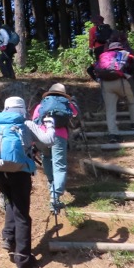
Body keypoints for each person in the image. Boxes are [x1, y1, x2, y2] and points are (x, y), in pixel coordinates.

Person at [0, 96, 56, 268]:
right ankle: (23, 260)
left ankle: (8, 237)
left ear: (5, 108)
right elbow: (49, 140)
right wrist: (50, 123)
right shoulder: (26, 124)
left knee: (10, 202)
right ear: (22, 109)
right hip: (19, 173)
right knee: (22, 215)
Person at [31, 83, 79, 213]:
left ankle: (51, 184)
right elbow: (75, 115)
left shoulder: (41, 105)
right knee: (59, 165)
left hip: (42, 135)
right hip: (59, 135)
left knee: (46, 157)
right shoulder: (66, 103)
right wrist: (74, 103)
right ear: (63, 94)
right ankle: (55, 196)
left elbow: (35, 120)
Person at [95, 42, 134, 141]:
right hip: (120, 81)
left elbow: (92, 68)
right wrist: (129, 71)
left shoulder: (103, 55)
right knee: (132, 102)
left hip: (106, 84)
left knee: (110, 110)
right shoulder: (124, 53)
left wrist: (97, 80)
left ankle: (113, 134)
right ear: (120, 47)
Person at [86, 15, 113, 81]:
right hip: (108, 47)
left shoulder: (92, 29)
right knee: (109, 62)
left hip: (98, 48)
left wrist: (90, 49)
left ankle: (101, 79)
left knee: (100, 63)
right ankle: (111, 76)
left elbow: (91, 40)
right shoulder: (108, 28)